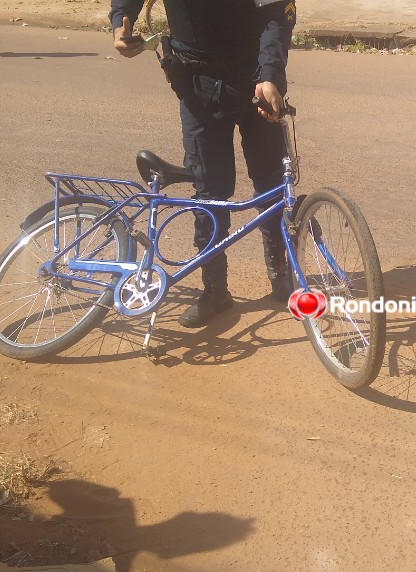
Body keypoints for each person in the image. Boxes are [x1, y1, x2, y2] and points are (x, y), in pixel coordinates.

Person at [109, 0, 297, 328]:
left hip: (256, 79)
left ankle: (279, 267)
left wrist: (269, 74)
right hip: (197, 85)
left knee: (270, 182)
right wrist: (120, 23)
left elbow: (277, 15)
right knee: (209, 190)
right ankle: (215, 288)